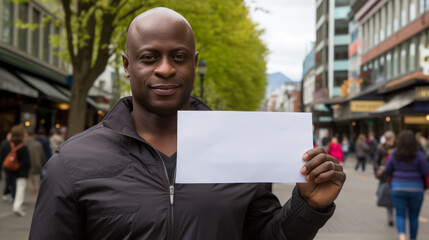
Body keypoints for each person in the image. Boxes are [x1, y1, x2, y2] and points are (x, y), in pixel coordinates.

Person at [30, 8, 346, 239]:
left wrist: (308, 206)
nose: (165, 69)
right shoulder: (70, 164)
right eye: (150, 57)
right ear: (127, 65)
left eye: (179, 57)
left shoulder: (241, 151)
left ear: (194, 64)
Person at [385, 130, 429, 240]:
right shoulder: (419, 155)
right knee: (414, 217)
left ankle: (402, 236)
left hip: (397, 187)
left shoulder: (394, 153)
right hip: (416, 188)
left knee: (400, 214)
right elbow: (425, 171)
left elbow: (387, 169)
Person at [0, 125, 31, 216]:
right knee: (20, 189)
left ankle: (10, 198)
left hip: (9, 170)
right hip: (21, 172)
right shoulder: (23, 146)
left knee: (11, 184)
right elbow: (27, 162)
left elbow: (2, 157)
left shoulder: (6, 144)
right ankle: (17, 206)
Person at [373, 131, 395, 226]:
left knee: (391, 196)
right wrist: (378, 172)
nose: (389, 140)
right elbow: (376, 161)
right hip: (385, 177)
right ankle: (390, 217)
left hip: (394, 176)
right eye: (388, 138)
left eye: (390, 138)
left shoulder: (397, 147)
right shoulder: (381, 148)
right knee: (383, 195)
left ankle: (395, 215)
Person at [25, 129, 46, 195]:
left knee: (29, 179)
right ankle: (36, 191)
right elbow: (42, 155)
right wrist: (43, 163)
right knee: (37, 179)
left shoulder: (25, 144)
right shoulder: (37, 144)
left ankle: (32, 190)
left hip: (28, 164)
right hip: (37, 164)